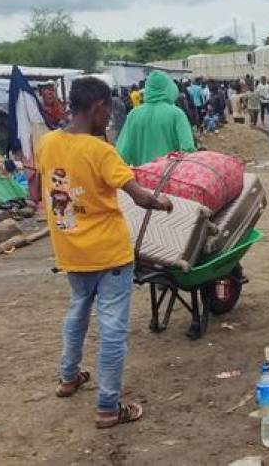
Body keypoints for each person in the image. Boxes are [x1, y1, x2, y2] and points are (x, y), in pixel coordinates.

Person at [37, 76, 174, 429]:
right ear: (98, 108)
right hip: (109, 255)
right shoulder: (101, 151)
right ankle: (108, 407)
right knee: (112, 328)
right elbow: (139, 195)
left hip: (70, 251)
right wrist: (164, 202)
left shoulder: (47, 142)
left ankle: (68, 377)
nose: (110, 119)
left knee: (78, 310)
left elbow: (39, 191)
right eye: (108, 112)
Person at [116, 71, 196, 167]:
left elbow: (122, 154)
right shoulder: (176, 113)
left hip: (142, 178)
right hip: (169, 177)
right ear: (169, 89)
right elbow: (188, 148)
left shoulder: (134, 114)